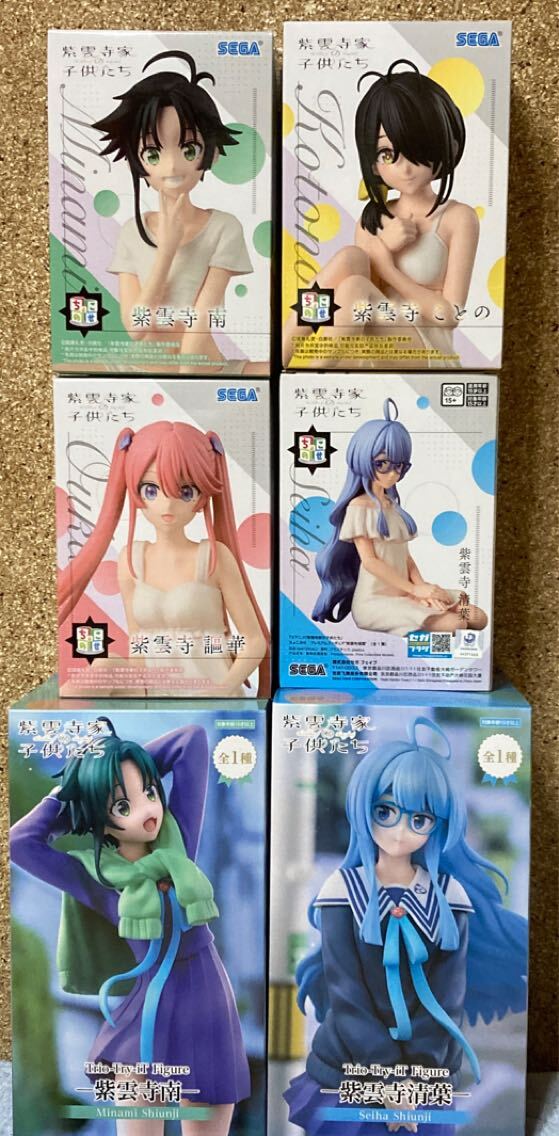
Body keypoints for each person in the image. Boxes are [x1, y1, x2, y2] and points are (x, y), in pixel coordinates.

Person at [285, 719, 528, 1136]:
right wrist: (386, 1077)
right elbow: (347, 992)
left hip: (427, 1066)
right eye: (385, 812)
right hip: (353, 1059)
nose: (399, 831)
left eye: (419, 819)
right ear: (364, 809)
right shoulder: (344, 890)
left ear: (438, 824)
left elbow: (447, 994)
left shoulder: (448, 896)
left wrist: (415, 1077)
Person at [10, 723, 250, 1136]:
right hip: (145, 1011)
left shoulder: (179, 847)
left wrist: (116, 767)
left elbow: (191, 741)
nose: (147, 810)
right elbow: (21, 841)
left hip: (207, 1004)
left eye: (150, 793)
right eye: (124, 806)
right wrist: (80, 792)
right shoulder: (96, 879)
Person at [283, 61, 479, 370]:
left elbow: (450, 315)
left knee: (356, 288)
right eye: (387, 154)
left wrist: (388, 269)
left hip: (427, 352)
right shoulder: (373, 220)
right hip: (373, 344)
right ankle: (283, 351)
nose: (405, 167)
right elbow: (353, 302)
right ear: (373, 163)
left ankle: (311, 373)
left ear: (445, 145)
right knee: (350, 259)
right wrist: (382, 247)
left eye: (416, 148)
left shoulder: (458, 218)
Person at [58, 420, 270, 697]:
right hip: (157, 691)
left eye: (185, 492)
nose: (167, 504)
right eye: (151, 490)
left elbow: (254, 641)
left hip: (210, 694)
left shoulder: (214, 557)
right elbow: (137, 640)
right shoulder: (132, 560)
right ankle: (60, 722)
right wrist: (143, 695)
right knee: (103, 666)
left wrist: (222, 690)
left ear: (202, 497)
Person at [95, 51, 263, 374]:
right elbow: (136, 327)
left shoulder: (223, 227)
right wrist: (167, 250)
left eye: (188, 149)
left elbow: (202, 319)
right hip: (139, 371)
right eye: (153, 154)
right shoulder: (132, 231)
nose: (172, 166)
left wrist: (187, 384)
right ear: (136, 162)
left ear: (212, 154)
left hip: (201, 367)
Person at [312, 399, 487, 637]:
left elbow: (406, 558)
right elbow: (370, 562)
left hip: (407, 591)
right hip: (375, 602)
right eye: (383, 464)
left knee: (476, 616)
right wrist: (415, 590)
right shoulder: (358, 507)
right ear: (362, 458)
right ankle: (423, 621)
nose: (393, 474)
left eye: (400, 466)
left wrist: (422, 588)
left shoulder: (393, 506)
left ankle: (430, 609)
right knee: (458, 623)